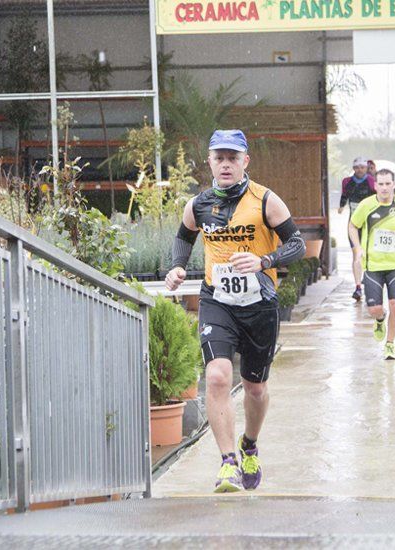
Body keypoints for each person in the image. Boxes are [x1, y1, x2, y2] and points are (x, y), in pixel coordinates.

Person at [165, 129, 305, 493]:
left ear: (245, 161)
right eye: (219, 158)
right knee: (217, 377)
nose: (226, 164)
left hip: (260, 304)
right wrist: (178, 266)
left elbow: (297, 244)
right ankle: (228, 462)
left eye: (233, 158)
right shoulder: (199, 204)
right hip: (218, 302)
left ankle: (249, 445)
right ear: (210, 162)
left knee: (256, 388)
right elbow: (184, 236)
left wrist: (264, 261)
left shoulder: (265, 201)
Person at [349, 169, 395, 360]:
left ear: (394, 185)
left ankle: (390, 344)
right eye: (381, 184)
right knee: (374, 309)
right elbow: (353, 226)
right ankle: (380, 319)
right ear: (375, 185)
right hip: (373, 266)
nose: (385, 188)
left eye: (388, 184)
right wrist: (357, 248)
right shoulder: (367, 205)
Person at [338, 156, 376, 302]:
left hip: (370, 223)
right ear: (353, 168)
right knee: (356, 254)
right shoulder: (347, 182)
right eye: (357, 167)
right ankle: (358, 286)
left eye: (362, 167)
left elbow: (379, 198)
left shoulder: (372, 182)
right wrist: (341, 206)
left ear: (366, 168)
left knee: (369, 253)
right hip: (354, 224)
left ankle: (371, 281)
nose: (360, 170)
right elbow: (344, 195)